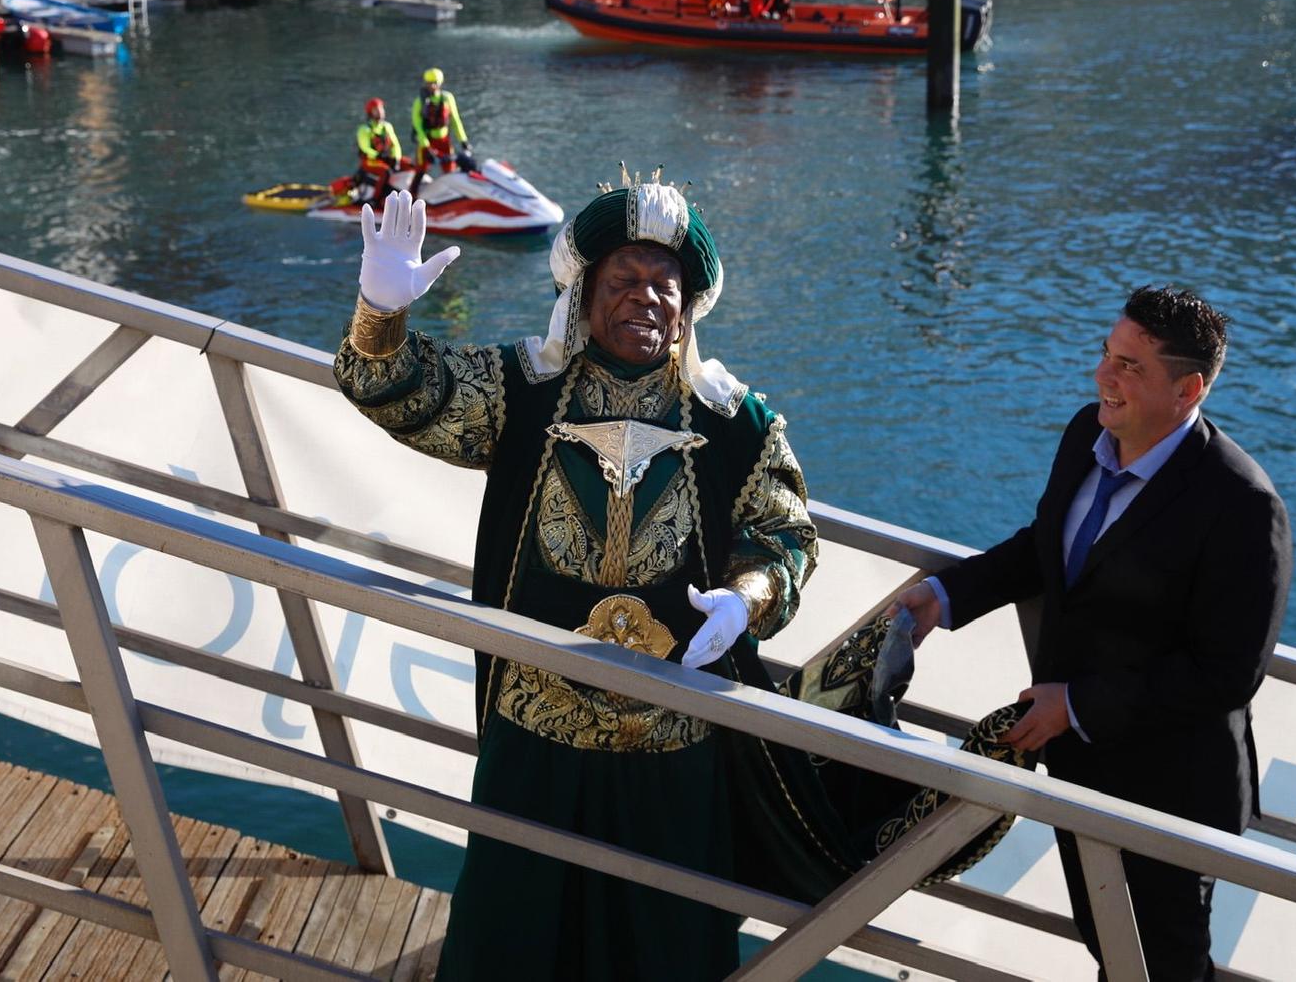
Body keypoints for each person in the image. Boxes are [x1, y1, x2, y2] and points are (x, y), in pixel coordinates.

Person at [333, 172, 1032, 980]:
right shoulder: (520, 389)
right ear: (585, 291)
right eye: (624, 280)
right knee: (510, 932)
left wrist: (747, 599)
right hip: (536, 733)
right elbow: (399, 393)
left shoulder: (737, 421)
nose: (647, 299)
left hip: (674, 741)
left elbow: (786, 536)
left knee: (660, 943)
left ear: (690, 306)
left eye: (665, 285)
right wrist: (382, 311)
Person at [896, 286, 1292, 982]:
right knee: (1109, 946)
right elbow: (1043, 547)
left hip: (1171, 794)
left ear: (1189, 387)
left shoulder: (1242, 506)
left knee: (1160, 966)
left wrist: (1076, 704)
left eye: (1131, 367)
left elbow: (1227, 673)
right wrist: (946, 593)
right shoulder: (1088, 432)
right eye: (1107, 354)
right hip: (1080, 767)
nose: (1103, 377)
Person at [409, 68, 471, 174]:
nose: (432, 86)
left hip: (444, 141)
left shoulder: (447, 98)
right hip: (427, 141)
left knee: (450, 169)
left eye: (435, 83)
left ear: (440, 83)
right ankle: (413, 189)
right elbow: (418, 126)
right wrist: (427, 147)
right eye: (429, 83)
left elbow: (455, 120)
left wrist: (463, 140)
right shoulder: (419, 102)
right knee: (420, 170)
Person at [353, 97, 402, 202]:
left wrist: (396, 158)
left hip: (384, 158)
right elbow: (365, 148)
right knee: (386, 172)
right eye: (376, 110)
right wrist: (378, 155)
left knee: (408, 165)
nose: (380, 112)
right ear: (370, 113)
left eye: (381, 109)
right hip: (370, 161)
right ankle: (375, 199)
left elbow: (395, 145)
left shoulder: (387, 127)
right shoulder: (364, 129)